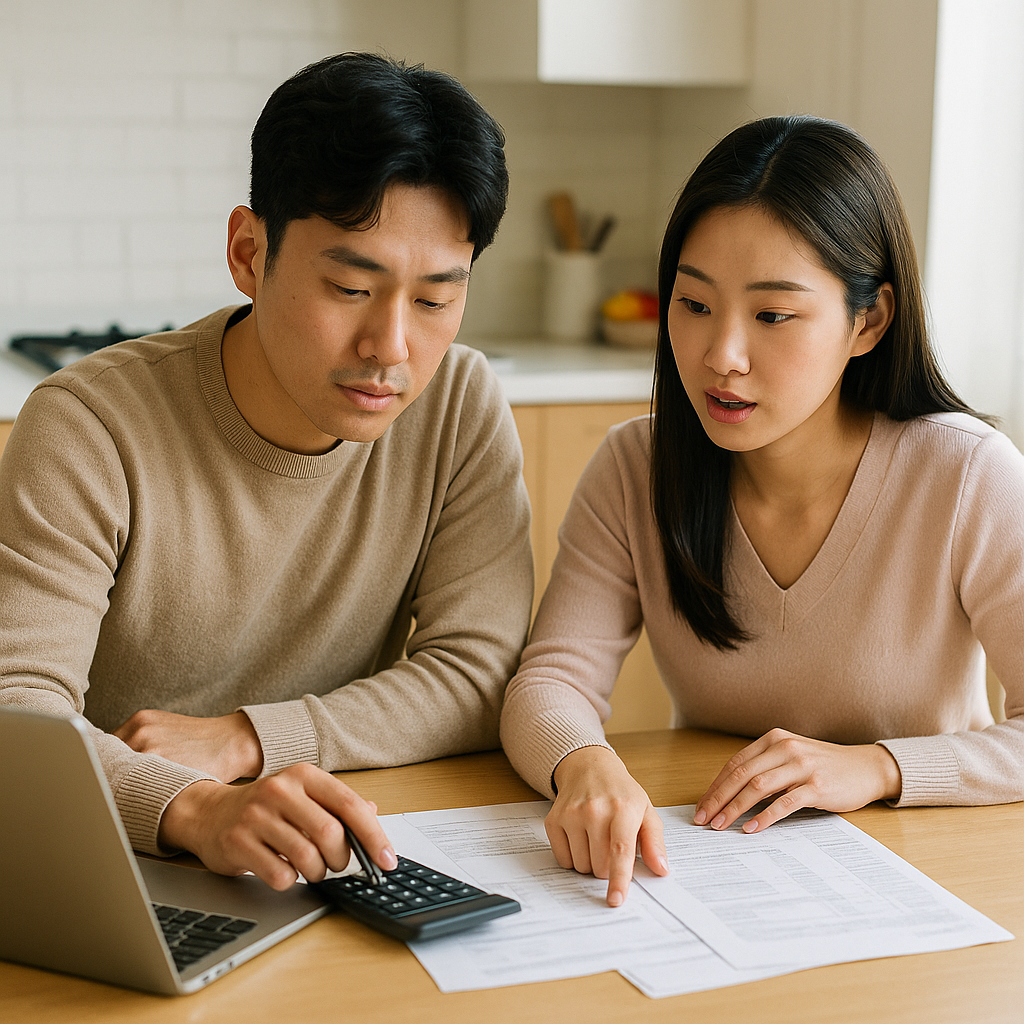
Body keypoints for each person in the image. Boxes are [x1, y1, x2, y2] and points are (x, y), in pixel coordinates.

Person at [0, 53, 532, 890]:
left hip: (320, 855)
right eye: (350, 288)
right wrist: (194, 809)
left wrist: (251, 738)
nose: (391, 348)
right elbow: (18, 714)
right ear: (249, 252)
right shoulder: (90, 426)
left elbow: (478, 675)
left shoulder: (459, 405)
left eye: (435, 300)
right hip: (101, 865)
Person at [500, 114, 1024, 907]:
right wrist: (584, 764)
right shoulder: (636, 468)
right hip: (723, 869)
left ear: (869, 321)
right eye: (694, 303)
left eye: (772, 315)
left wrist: (878, 766)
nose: (722, 356)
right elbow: (550, 680)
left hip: (926, 877)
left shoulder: (965, 475)